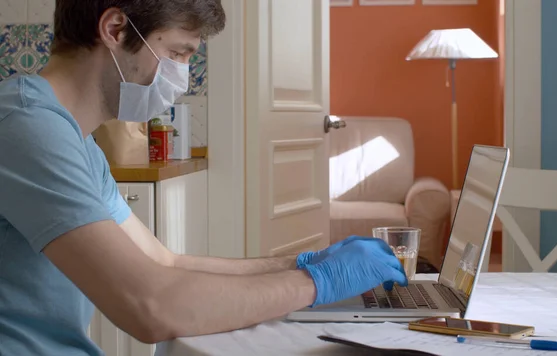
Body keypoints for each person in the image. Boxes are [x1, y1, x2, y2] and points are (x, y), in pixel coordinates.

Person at [0, 1, 407, 355]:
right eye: (178, 53)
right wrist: (318, 282)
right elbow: (151, 306)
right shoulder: (26, 126)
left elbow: (163, 261)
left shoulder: (77, 140)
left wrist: (298, 263)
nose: (184, 74)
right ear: (115, 29)